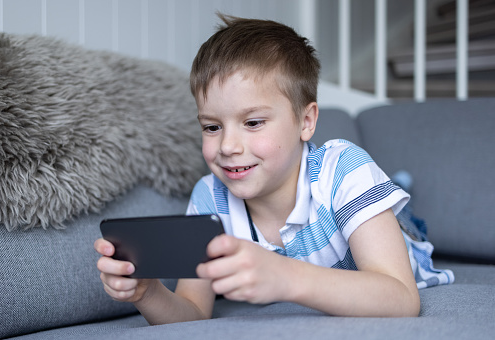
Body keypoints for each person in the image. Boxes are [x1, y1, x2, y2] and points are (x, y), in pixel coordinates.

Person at [94, 14, 422, 324]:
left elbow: (402, 298)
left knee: (399, 216)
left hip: (394, 243)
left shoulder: (345, 171)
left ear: (306, 122)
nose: (227, 146)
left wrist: (285, 275)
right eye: (211, 127)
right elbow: (193, 313)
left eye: (252, 122)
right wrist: (148, 293)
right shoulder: (210, 198)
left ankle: (394, 190)